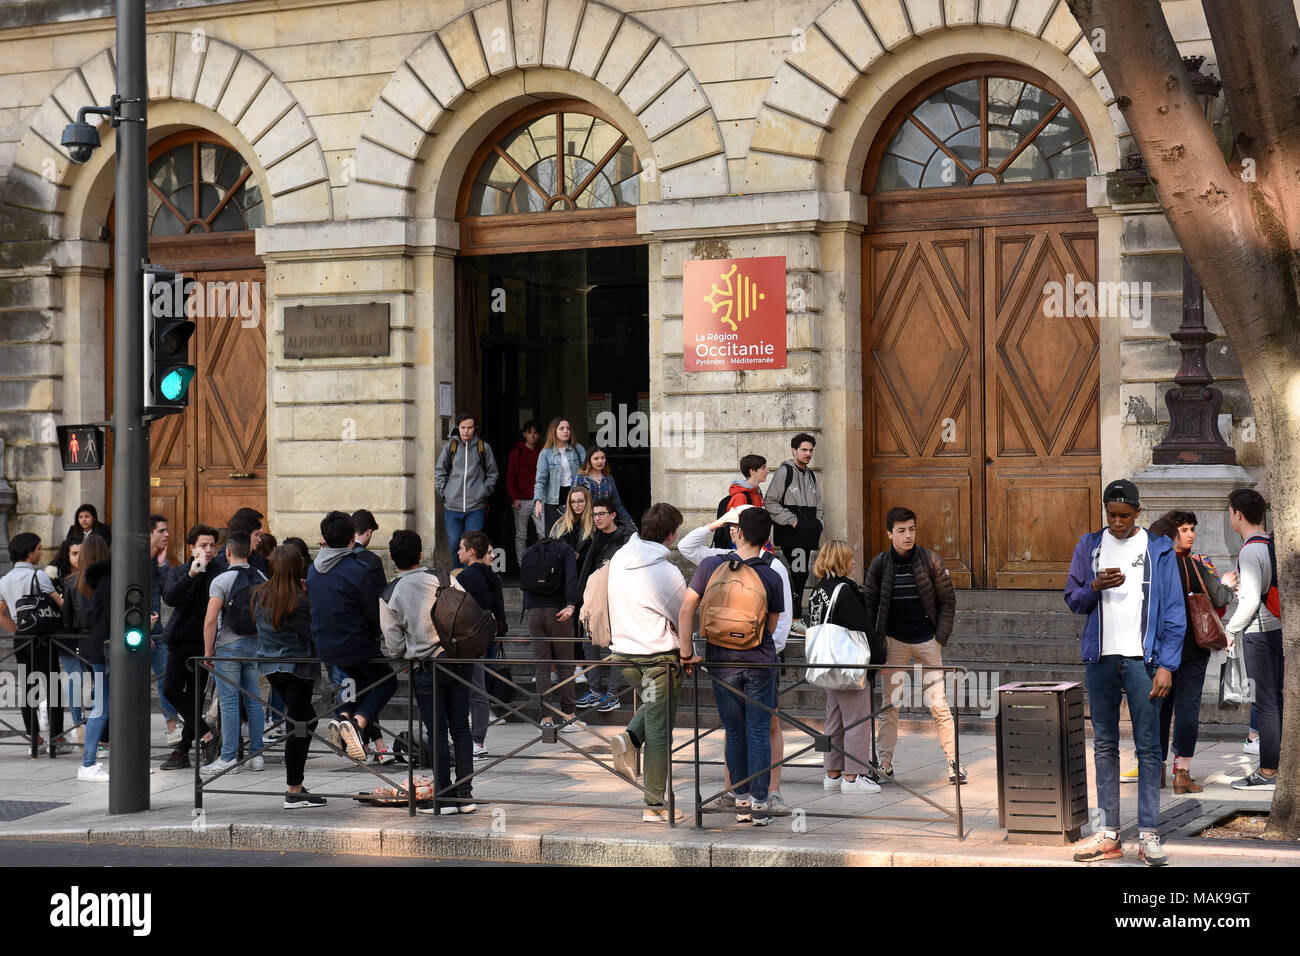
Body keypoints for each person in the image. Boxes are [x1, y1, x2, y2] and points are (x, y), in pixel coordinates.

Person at [1066, 479, 1184, 867]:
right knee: (1103, 745)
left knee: (1149, 748)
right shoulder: (1089, 546)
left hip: (1143, 662)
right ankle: (1109, 834)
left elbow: (1172, 610)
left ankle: (1149, 834)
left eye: (1124, 515)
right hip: (1101, 661)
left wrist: (1167, 664)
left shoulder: (1158, 548)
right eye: (1110, 515)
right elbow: (1074, 598)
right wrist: (1095, 586)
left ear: (1137, 512)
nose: (1116, 522)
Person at [678, 504, 795, 814]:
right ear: (766, 537)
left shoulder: (710, 566)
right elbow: (771, 626)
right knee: (759, 731)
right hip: (760, 663)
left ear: (739, 533)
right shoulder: (772, 574)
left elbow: (687, 609)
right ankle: (760, 802)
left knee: (734, 730)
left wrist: (686, 652)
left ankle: (739, 796)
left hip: (721, 661)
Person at [1123, 512, 1232, 793]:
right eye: (1184, 530)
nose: (1191, 535)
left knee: (1159, 710)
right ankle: (1181, 773)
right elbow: (1219, 598)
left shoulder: (1148, 567)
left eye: (1192, 529)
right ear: (1172, 536)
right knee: (1187, 710)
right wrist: (1229, 587)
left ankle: (1155, 770)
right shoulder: (1192, 565)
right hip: (1193, 649)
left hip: (1158, 652)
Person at [380, 529, 476, 814]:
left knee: (436, 731)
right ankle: (465, 795)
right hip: (458, 662)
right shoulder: (445, 578)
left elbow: (394, 644)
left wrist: (407, 658)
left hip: (426, 668)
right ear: (421, 554)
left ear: (391, 558)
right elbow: (468, 612)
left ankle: (444, 797)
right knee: (461, 727)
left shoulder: (390, 593)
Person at [864, 507, 961, 784]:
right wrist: (877, 647)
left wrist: (939, 637)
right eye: (901, 530)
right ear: (889, 534)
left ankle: (953, 763)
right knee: (889, 706)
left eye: (912, 529)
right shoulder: (880, 564)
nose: (908, 535)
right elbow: (869, 607)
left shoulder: (930, 560)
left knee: (939, 705)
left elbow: (948, 601)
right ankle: (884, 763)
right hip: (894, 643)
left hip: (927, 642)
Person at [607, 503, 687, 824]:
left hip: (623, 655)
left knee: (657, 711)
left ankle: (628, 739)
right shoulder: (665, 571)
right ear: (670, 535)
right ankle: (654, 805)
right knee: (659, 730)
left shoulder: (620, 558)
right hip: (658, 660)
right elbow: (684, 615)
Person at [308, 510, 394, 763]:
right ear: (351, 539)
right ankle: (357, 722)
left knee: (361, 682)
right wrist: (379, 635)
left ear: (324, 538)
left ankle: (343, 717)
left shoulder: (314, 569)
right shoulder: (358, 569)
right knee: (386, 681)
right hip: (355, 642)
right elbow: (372, 611)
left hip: (325, 644)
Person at [252, 545, 324, 808]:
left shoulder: (260, 594)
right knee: (299, 725)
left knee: (305, 721)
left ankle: (296, 786)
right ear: (296, 567)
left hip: (271, 667)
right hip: (298, 668)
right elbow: (312, 632)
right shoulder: (299, 599)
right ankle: (294, 790)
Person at [1222, 489, 1284, 792]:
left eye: (1229, 511)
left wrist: (1230, 631)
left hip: (1259, 632)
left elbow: (1248, 602)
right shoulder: (1271, 543)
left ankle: (1269, 770)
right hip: (1277, 628)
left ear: (1238, 514)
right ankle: (1278, 766)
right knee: (1277, 700)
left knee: (1266, 702)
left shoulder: (1249, 551)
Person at [809, 539, 881, 794]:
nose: (853, 562)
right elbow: (862, 629)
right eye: (849, 558)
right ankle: (854, 775)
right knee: (857, 719)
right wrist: (879, 658)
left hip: (827, 663)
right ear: (839, 561)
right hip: (848, 664)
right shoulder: (845, 591)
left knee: (835, 719)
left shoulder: (817, 589)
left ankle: (833, 773)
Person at [201, 531, 268, 777]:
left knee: (229, 703)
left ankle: (228, 757)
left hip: (228, 647)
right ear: (248, 551)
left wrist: (209, 651)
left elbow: (210, 620)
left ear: (228, 552)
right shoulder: (260, 576)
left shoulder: (221, 580)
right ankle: (257, 755)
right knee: (254, 701)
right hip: (255, 644)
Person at [159, 524, 221, 770]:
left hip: (204, 643)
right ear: (192, 547)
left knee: (196, 697)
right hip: (179, 640)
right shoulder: (180, 571)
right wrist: (192, 575)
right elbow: (170, 597)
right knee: (171, 690)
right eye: (203, 545)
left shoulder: (219, 571)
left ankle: (183, 750)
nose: (208, 550)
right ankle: (207, 735)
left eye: (212, 545)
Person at [0, 532, 65, 748]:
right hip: (43, 638)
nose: (41, 552)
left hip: (22, 639)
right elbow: (59, 604)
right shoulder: (40, 576)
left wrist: (18, 628)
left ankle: (34, 739)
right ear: (29, 553)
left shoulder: (5, 580)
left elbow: (0, 613)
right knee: (52, 687)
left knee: (29, 689)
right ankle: (57, 738)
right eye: (38, 548)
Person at [575, 499, 635, 713]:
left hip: (617, 598)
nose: (597, 518)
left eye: (601, 514)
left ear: (612, 515)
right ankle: (595, 690)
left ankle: (613, 693)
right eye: (595, 514)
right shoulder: (594, 537)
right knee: (589, 642)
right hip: (593, 598)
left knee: (614, 645)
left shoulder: (627, 538)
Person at [521, 528, 580, 727]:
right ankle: (568, 716)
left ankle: (546, 718)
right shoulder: (566, 550)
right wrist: (571, 605)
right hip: (558, 611)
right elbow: (572, 578)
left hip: (534, 613)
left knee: (542, 667)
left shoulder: (528, 552)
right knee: (566, 665)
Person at [765, 433, 822, 631]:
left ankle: (793, 618)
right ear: (794, 450)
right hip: (792, 536)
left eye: (810, 450)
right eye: (804, 450)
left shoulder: (811, 474)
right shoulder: (784, 472)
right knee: (799, 573)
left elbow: (818, 503)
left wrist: (818, 522)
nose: (808, 454)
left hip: (806, 536)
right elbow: (770, 501)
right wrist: (793, 521)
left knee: (800, 574)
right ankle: (792, 619)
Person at [457, 531, 506, 758]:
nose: (458, 552)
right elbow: (498, 608)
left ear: (471, 552)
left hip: (468, 640)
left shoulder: (465, 578)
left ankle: (477, 741)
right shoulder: (491, 576)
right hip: (486, 637)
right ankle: (476, 739)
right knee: (478, 689)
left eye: (461, 548)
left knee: (475, 690)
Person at [434, 413, 499, 568]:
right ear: (458, 427)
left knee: (473, 547)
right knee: (454, 544)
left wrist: (483, 491)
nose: (466, 431)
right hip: (452, 506)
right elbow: (440, 471)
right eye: (463, 427)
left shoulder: (484, 448)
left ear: (474, 428)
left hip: (475, 507)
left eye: (469, 427)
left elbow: (492, 473)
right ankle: (458, 576)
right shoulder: (451, 447)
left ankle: (471, 576)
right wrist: (444, 492)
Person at [74, 534, 112, 781]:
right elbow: (113, 616)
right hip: (105, 652)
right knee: (102, 707)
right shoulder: (107, 581)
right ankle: (87, 763)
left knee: (106, 706)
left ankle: (125, 761)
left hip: (99, 649)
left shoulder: (92, 581)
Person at [147, 515, 181, 747]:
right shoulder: (132, 561)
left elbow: (166, 592)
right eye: (161, 531)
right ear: (149, 535)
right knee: (126, 683)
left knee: (166, 679)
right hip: (135, 632)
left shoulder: (155, 562)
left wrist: (162, 564)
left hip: (156, 630)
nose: (166, 535)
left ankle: (172, 727)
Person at [533, 417, 586, 534]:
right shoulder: (546, 453)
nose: (566, 431)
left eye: (568, 428)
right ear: (554, 431)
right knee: (554, 534)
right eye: (561, 428)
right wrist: (537, 501)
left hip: (573, 494)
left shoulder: (577, 449)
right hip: (553, 498)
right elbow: (540, 479)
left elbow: (587, 472)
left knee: (574, 532)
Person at [507, 420, 545, 566]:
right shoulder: (518, 452)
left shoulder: (542, 452)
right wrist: (514, 498)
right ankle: (523, 566)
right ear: (524, 434)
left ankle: (543, 563)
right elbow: (511, 477)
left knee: (543, 534)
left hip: (538, 500)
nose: (532, 436)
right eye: (529, 432)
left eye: (535, 432)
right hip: (521, 500)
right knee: (521, 536)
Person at [712, 455, 767, 548]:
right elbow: (739, 529)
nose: (767, 471)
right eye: (763, 468)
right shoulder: (740, 496)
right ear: (752, 471)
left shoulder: (757, 492)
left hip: (757, 543)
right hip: (745, 547)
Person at [573, 447, 636, 527]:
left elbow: (617, 503)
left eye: (603, 458)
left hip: (604, 522)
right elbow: (572, 502)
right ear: (589, 460)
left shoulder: (608, 478)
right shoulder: (580, 477)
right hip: (585, 522)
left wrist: (629, 522)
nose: (600, 461)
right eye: (596, 459)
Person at [210, 507, 269, 576]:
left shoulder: (256, 557)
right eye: (256, 535)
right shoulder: (220, 564)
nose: (260, 540)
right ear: (244, 535)